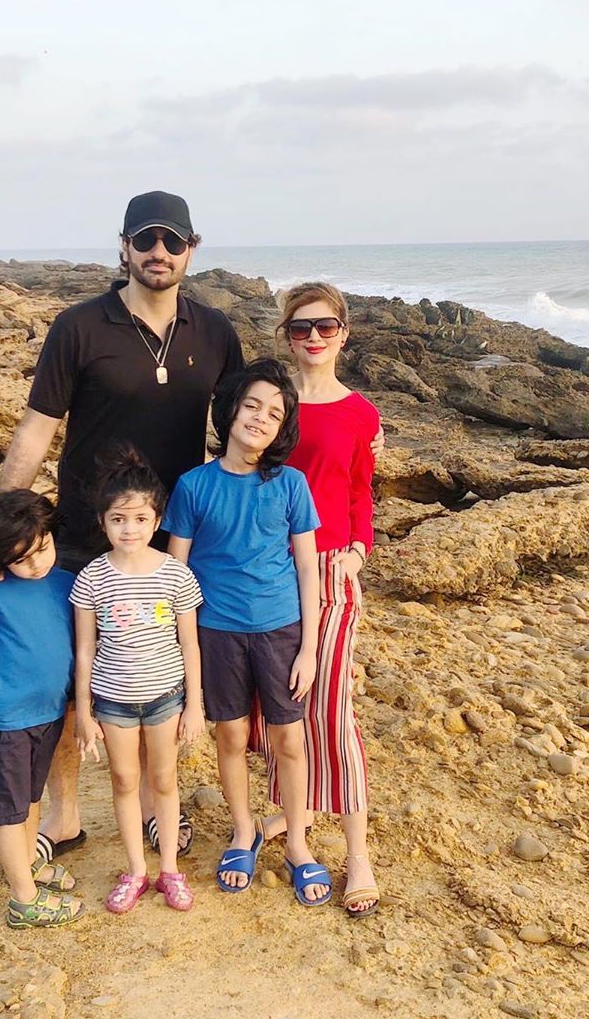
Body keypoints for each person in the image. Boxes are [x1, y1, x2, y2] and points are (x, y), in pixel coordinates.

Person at [0, 191, 242, 861]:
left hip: (173, 540)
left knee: (162, 672)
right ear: (124, 249)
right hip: (81, 533)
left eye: (171, 241)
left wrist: (354, 433)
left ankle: (162, 811)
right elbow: (35, 432)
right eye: (145, 240)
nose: (157, 253)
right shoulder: (78, 327)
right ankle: (69, 815)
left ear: (191, 248)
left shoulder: (215, 332)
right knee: (68, 679)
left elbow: (255, 422)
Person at [164, 358, 331, 906]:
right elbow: (176, 571)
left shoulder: (291, 485)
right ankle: (243, 831)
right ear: (231, 410)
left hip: (281, 630)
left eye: (276, 413)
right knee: (231, 736)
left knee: (290, 739)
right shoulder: (193, 485)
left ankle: (299, 844)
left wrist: (309, 647)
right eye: (253, 405)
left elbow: (308, 567)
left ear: (284, 429)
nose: (261, 418)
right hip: (217, 633)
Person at [254, 282, 380, 917]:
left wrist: (359, 549)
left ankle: (357, 852)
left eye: (324, 327)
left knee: (331, 705)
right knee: (273, 702)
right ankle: (292, 811)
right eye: (300, 329)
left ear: (343, 333)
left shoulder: (360, 412)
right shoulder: (272, 407)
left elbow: (362, 490)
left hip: (331, 568)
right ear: (286, 336)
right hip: (265, 568)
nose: (312, 339)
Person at [71, 447, 205, 913]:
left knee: (164, 780)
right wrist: (85, 714)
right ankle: (136, 869)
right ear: (103, 522)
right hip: (113, 702)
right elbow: (85, 648)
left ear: (156, 519)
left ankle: (170, 867)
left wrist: (196, 705)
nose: (129, 529)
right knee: (125, 780)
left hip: (167, 698)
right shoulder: (91, 578)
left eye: (140, 518)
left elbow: (190, 644)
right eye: (118, 519)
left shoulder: (176, 574)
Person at [0, 490, 84, 929]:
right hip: (5, 721)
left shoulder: (64, 581)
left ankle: (30, 865)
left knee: (30, 799)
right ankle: (24, 899)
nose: (36, 564)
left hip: (48, 715)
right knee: (8, 809)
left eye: (42, 549)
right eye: (22, 559)